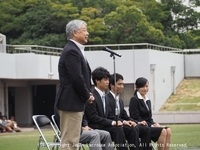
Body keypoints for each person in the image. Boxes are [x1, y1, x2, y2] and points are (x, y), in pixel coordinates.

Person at [54, 19, 94, 150]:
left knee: (72, 141)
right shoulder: (72, 50)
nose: (87, 33)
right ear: (75, 33)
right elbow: (76, 78)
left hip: (73, 102)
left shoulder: (75, 49)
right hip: (70, 102)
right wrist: (87, 95)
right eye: (84, 30)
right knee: (69, 142)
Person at [85, 67, 138, 150]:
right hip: (96, 126)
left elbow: (109, 114)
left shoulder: (105, 97)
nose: (107, 82)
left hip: (106, 125)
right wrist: (113, 122)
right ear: (97, 81)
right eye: (105, 80)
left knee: (130, 129)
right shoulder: (91, 96)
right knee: (118, 130)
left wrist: (124, 122)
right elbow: (93, 117)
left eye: (108, 80)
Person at [107, 73, 152, 150]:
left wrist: (136, 122)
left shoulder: (120, 100)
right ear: (111, 85)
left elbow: (125, 115)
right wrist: (124, 122)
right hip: (113, 126)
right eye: (119, 84)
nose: (122, 87)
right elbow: (110, 115)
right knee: (131, 129)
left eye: (123, 84)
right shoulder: (107, 99)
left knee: (144, 128)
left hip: (122, 124)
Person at [129, 77, 172, 150]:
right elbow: (135, 117)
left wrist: (155, 124)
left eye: (146, 86)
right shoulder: (134, 100)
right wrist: (151, 125)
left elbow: (149, 118)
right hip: (141, 127)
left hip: (149, 125)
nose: (145, 88)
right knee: (163, 131)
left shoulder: (148, 100)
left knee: (168, 130)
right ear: (137, 88)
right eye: (142, 86)